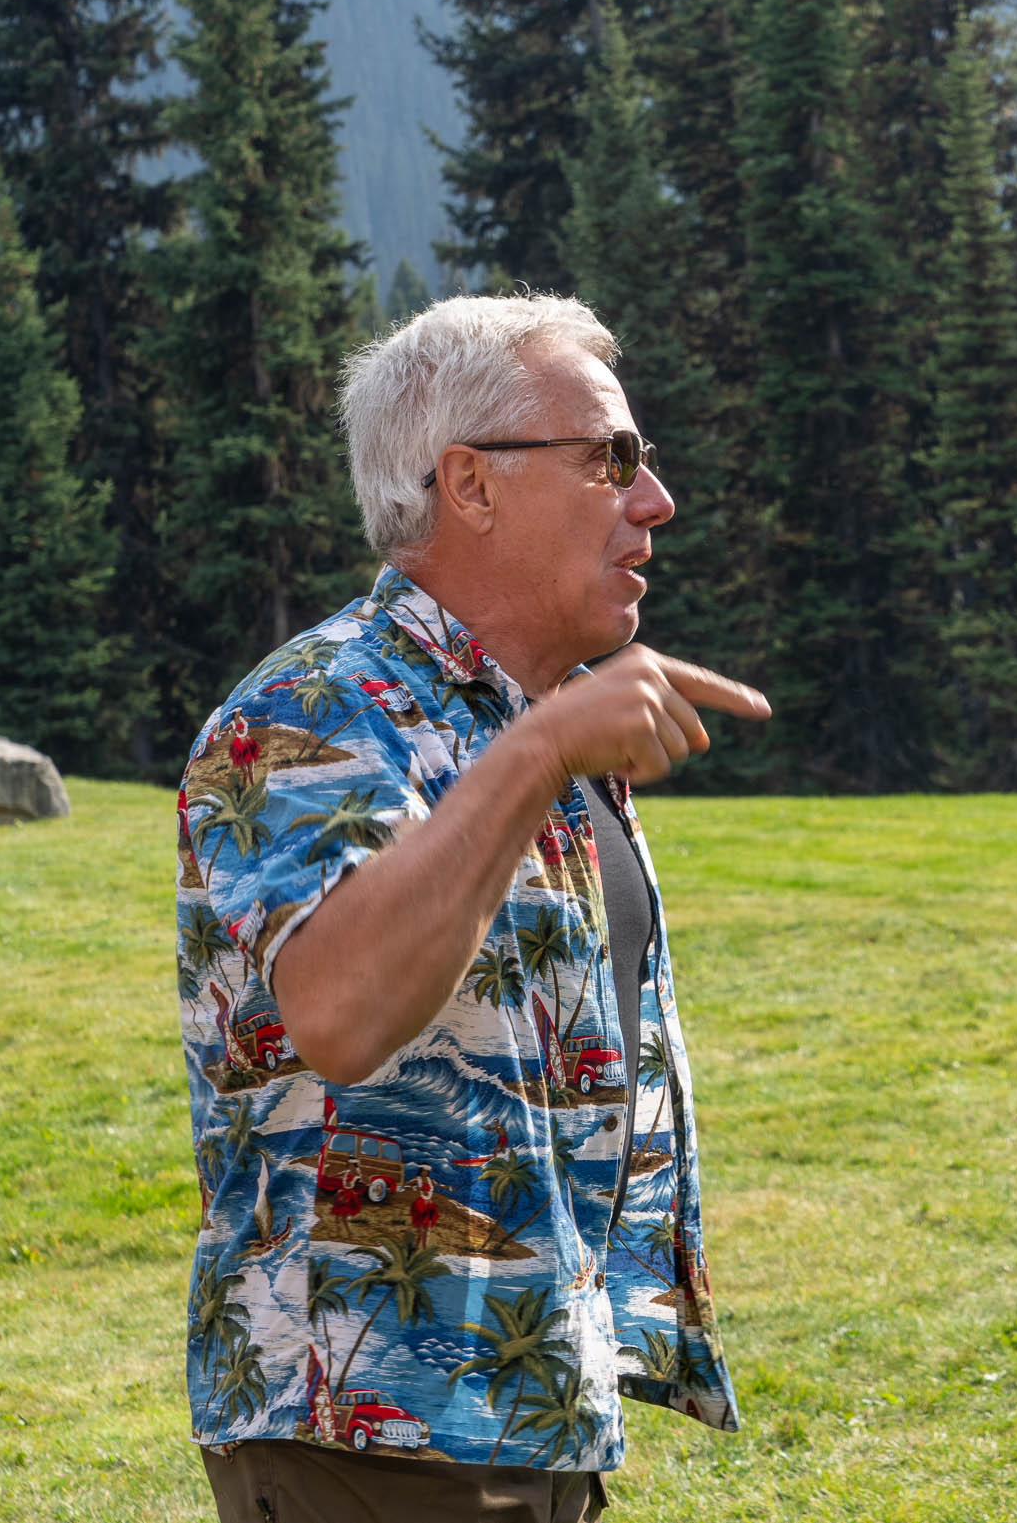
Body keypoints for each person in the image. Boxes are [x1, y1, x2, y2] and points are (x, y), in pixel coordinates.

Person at [176, 293, 770, 1523]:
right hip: (369, 1437)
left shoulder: (531, 720)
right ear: (471, 484)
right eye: (612, 458)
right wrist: (538, 752)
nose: (655, 501)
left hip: (529, 1414)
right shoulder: (308, 710)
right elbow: (339, 1013)